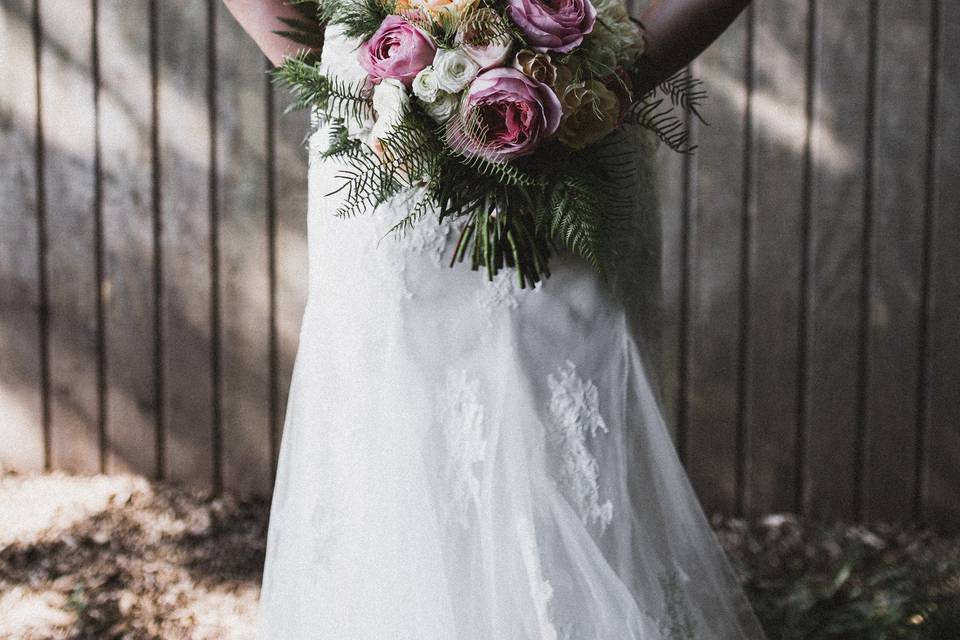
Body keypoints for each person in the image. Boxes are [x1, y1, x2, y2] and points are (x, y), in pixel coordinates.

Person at [225, 0, 765, 637]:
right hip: (380, 132)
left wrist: (607, 85)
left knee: (572, 427)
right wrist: (343, 85)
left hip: (578, 112)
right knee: (397, 429)